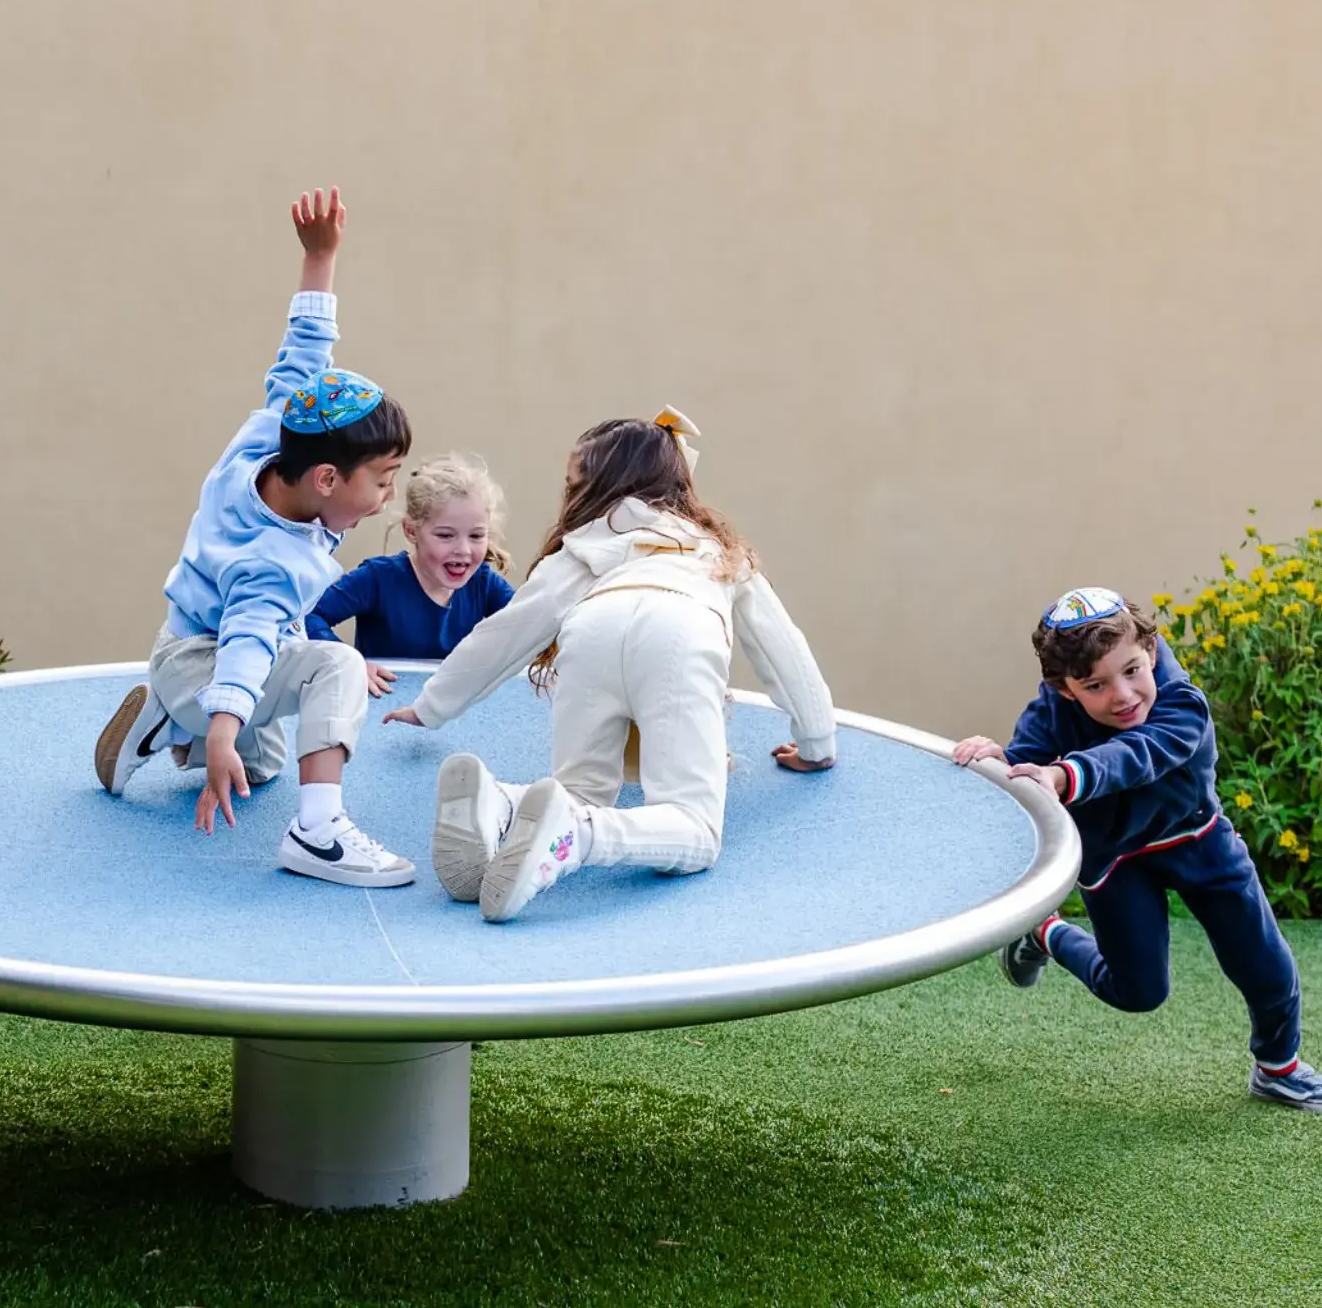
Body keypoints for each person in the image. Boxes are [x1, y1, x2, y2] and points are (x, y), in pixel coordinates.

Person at [385, 410, 839, 920]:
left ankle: (499, 804)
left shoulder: (583, 548)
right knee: (693, 827)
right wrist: (818, 742)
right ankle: (576, 836)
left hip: (592, 631)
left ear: (604, 489)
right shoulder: (715, 549)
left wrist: (431, 705)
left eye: (573, 483)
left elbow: (504, 634)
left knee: (577, 791)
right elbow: (785, 651)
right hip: (680, 632)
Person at [93, 187, 417, 888]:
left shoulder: (270, 440)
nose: (388, 497)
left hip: (185, 646)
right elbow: (247, 640)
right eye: (384, 480)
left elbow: (303, 360)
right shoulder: (279, 561)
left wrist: (320, 258)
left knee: (264, 767)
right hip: (208, 661)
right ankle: (318, 834)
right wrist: (220, 727)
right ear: (328, 479)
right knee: (334, 667)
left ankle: (163, 718)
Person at [951, 587, 1322, 1116]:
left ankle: (1279, 1069)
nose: (1121, 695)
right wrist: (999, 761)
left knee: (1266, 963)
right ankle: (1046, 933)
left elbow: (1137, 754)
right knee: (1138, 991)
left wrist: (1065, 773)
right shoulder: (1052, 710)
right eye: (1095, 685)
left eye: (1132, 671)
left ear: (1150, 649)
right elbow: (1029, 774)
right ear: (1067, 690)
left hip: (1196, 838)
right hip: (1115, 858)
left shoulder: (1181, 701)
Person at [306, 452, 516, 691]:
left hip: (450, 715)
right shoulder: (378, 578)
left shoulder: (484, 584)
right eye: (445, 536)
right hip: (383, 712)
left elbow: (534, 623)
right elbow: (308, 616)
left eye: (477, 536)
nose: (463, 550)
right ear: (411, 531)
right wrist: (350, 663)